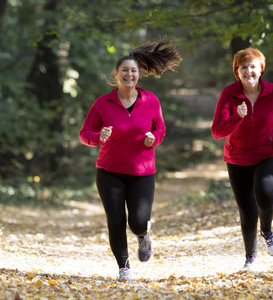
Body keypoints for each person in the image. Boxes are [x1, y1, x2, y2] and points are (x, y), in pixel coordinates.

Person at [79, 38, 182, 281]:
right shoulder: (103, 103)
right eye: (124, 70)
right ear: (116, 74)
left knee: (137, 221)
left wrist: (153, 139)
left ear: (139, 75)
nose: (129, 74)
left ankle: (143, 236)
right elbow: (85, 134)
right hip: (109, 172)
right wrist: (98, 137)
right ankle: (124, 267)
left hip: (142, 173)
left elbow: (161, 129)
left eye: (133, 71)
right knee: (115, 221)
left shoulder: (151, 101)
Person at [211, 47, 273, 271]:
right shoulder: (229, 94)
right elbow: (217, 131)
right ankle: (250, 258)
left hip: (267, 153)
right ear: (236, 71)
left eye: (253, 67)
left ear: (261, 69)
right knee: (248, 211)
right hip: (237, 157)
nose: (248, 71)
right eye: (243, 67)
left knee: (266, 194)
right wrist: (237, 117)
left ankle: (267, 232)